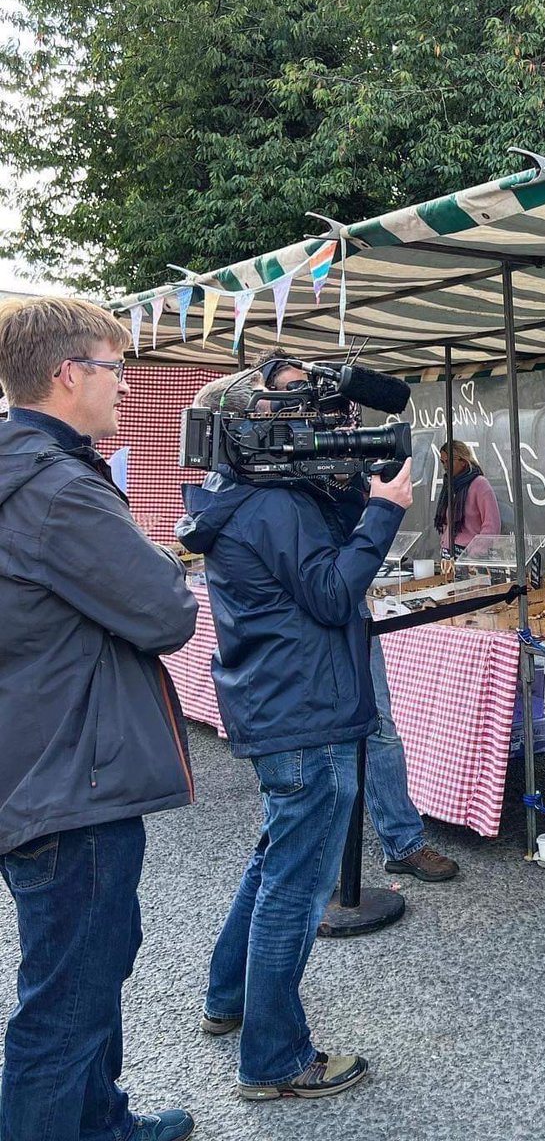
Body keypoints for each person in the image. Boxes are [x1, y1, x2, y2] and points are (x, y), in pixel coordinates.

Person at [176, 370, 414, 1101]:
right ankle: (274, 1060)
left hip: (281, 703)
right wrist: (383, 511)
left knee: (274, 859)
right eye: (292, 407)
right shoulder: (273, 504)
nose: (315, 419)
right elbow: (334, 589)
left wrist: (350, 493)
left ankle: (229, 999)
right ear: (250, 427)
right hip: (305, 709)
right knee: (295, 887)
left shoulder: (239, 495)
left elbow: (314, 564)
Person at [0, 297, 198, 1141]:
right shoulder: (54, 491)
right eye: (117, 368)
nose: (127, 385)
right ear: (67, 375)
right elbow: (166, 613)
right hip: (69, 777)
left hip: (40, 758)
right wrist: (148, 553)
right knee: (65, 1006)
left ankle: (102, 1124)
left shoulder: (26, 471)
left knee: (92, 968)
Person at [260, 357, 459, 882]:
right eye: (291, 393)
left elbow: (351, 542)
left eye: (310, 393)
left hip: (348, 604)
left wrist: (365, 489)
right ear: (263, 406)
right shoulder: (262, 479)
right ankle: (312, 866)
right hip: (299, 622)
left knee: (381, 727)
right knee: (306, 749)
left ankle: (403, 840)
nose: (306, 404)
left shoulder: (336, 457)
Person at [436, 439, 501, 563]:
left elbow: (492, 525)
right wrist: (444, 543)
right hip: (449, 555)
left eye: (449, 461)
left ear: (463, 461)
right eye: (442, 462)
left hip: (471, 557)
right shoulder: (450, 486)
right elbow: (447, 522)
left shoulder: (480, 484)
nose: (445, 466)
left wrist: (474, 552)